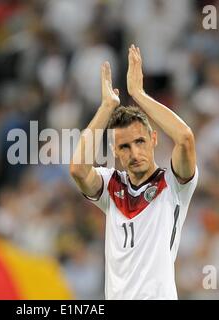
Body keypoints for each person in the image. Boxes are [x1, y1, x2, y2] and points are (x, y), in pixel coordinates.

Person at [69, 44, 198, 299]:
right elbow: (78, 169)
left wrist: (138, 94)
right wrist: (106, 108)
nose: (134, 153)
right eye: (125, 147)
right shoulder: (111, 185)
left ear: (153, 139)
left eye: (140, 142)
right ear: (115, 151)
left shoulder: (173, 184)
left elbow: (184, 138)